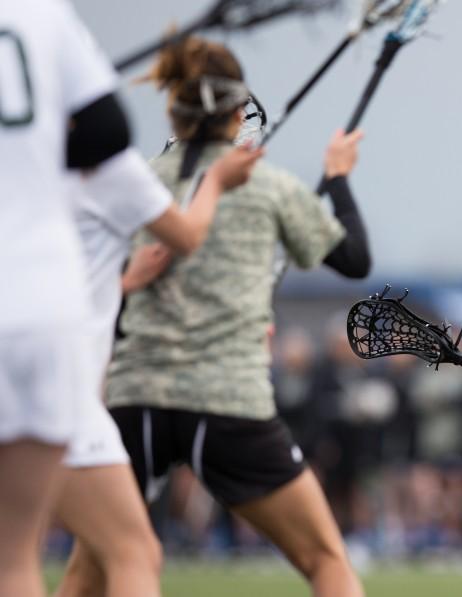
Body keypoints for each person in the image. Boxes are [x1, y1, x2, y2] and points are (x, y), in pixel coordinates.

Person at [87, 35, 368, 597]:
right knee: (326, 559)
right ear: (239, 113)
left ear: (172, 108)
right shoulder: (268, 186)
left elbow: (98, 289)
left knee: (104, 570)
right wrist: (336, 176)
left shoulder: (135, 183)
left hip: (134, 396)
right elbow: (355, 260)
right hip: (227, 401)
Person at [0, 2, 228, 595]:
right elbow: (185, 232)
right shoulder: (110, 168)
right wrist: (222, 183)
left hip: (48, 337)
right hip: (43, 338)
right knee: (120, 552)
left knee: (87, 555)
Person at [54, 139, 261, 597]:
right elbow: (187, 235)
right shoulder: (119, 170)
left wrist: (126, 282)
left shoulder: (34, 172)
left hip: (41, 385)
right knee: (135, 554)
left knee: (33, 556)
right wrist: (217, 181)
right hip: (60, 393)